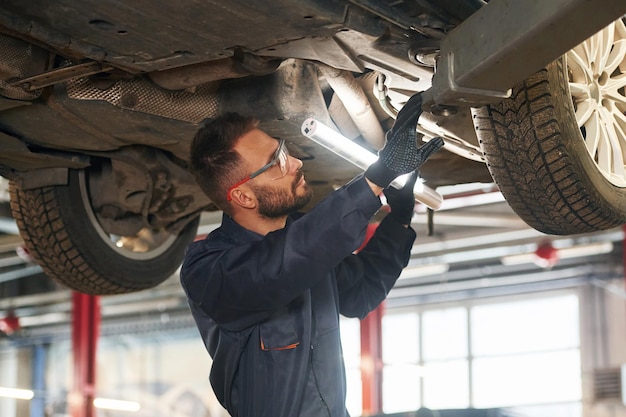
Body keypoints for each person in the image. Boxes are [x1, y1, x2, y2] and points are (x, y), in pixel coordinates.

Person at [180, 92, 443, 417]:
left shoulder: (307, 241)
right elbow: (278, 268)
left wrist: (399, 219)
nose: (296, 163)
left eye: (284, 152)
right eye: (276, 162)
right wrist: (375, 179)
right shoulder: (208, 269)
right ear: (244, 196)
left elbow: (360, 292)